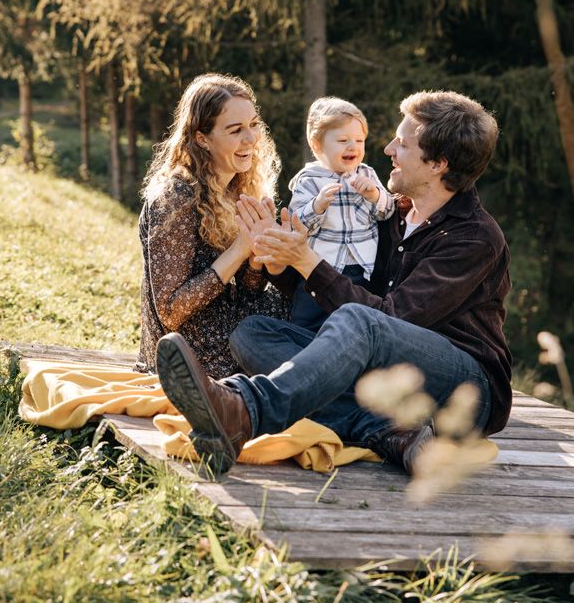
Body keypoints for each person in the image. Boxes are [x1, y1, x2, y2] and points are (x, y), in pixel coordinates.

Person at [155, 90, 512, 477]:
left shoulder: (473, 237)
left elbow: (392, 319)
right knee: (253, 334)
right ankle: (387, 432)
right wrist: (281, 263)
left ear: (438, 164)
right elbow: (345, 293)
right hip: (390, 380)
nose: (389, 148)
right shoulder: (394, 213)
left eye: (403, 144)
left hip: (463, 388)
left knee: (361, 321)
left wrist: (308, 261)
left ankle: (244, 411)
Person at [137, 73, 288, 378]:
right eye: (235, 131)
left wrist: (257, 258)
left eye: (253, 125)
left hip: (229, 326)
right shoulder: (176, 196)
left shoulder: (240, 186)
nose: (251, 139)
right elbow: (170, 312)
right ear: (201, 138)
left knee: (309, 305)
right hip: (189, 353)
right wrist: (239, 250)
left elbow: (249, 291)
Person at [288, 97, 394, 331]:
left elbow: (388, 212)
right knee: (307, 325)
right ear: (317, 145)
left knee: (353, 325)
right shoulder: (309, 180)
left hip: (362, 270)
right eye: (343, 140)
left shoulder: (367, 174)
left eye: (359, 140)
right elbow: (297, 225)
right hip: (318, 270)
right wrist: (317, 205)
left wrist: (376, 195)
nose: (353, 147)